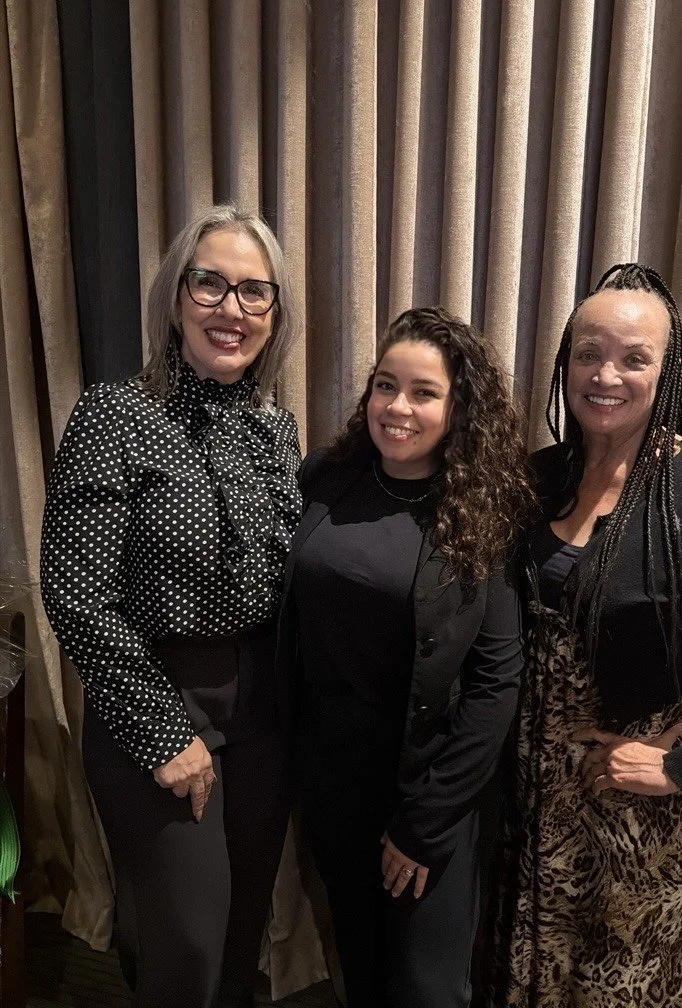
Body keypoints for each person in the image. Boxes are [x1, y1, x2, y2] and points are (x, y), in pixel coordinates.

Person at [40, 205, 303, 1008]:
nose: (232, 309)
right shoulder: (114, 415)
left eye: (254, 293)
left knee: (239, 937)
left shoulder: (276, 430)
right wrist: (164, 734)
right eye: (211, 284)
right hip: (155, 697)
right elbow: (79, 594)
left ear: (275, 314)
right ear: (176, 295)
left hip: (260, 709)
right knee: (184, 944)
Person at [487, 263, 682, 1007]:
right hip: (519, 799)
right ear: (565, 362)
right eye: (588, 352)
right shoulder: (538, 478)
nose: (605, 373)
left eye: (632, 357)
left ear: (666, 369)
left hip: (631, 816)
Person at [275, 307, 534, 1008]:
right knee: (359, 967)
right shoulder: (326, 477)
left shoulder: (484, 511)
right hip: (335, 785)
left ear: (460, 408)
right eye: (385, 386)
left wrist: (423, 825)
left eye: (424, 392)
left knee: (426, 989)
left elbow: (496, 682)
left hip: (431, 793)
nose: (397, 407)